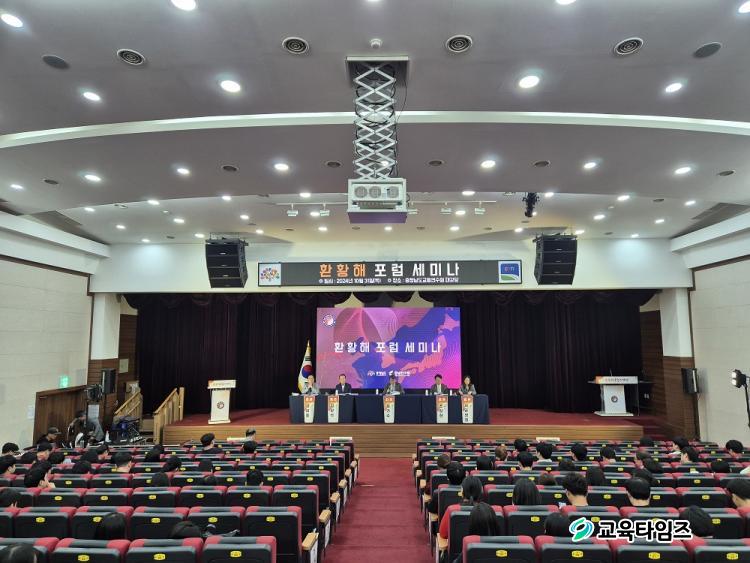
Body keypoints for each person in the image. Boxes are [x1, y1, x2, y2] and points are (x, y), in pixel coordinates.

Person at [438, 476, 483, 541]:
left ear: (462, 491)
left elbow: (443, 534)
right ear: (481, 492)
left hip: (455, 547)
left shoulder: (452, 510)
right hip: (479, 547)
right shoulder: (488, 510)